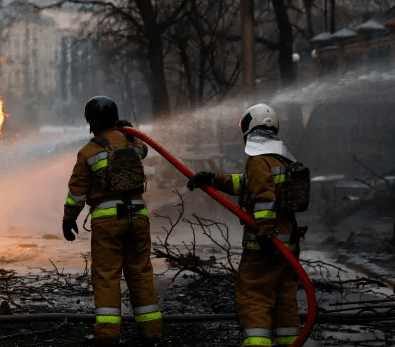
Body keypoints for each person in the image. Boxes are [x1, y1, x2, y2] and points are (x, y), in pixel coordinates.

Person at [187, 103, 306, 347]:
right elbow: (245, 184)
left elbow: (263, 197)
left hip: (266, 245)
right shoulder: (280, 158)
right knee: (285, 298)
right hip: (288, 242)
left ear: (249, 128)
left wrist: (264, 232)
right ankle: (290, 342)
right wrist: (211, 179)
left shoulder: (258, 160)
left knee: (254, 296)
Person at [62, 96, 163, 346]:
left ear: (91, 121)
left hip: (108, 223)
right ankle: (152, 333)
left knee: (107, 276)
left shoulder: (89, 151)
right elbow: (144, 148)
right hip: (138, 217)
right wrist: (126, 131)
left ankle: (107, 335)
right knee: (141, 273)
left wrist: (68, 219)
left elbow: (77, 192)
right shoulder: (133, 143)